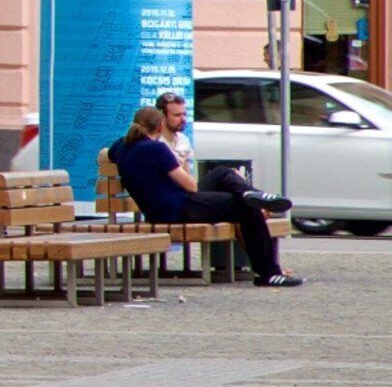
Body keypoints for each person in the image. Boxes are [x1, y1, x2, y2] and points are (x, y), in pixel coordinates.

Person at [111, 97, 297, 287]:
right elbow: (191, 186)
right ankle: (268, 273)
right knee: (246, 207)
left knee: (221, 173)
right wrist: (179, 162)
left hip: (161, 209)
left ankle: (248, 193)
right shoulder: (157, 149)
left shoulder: (121, 147)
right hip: (179, 207)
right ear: (160, 125)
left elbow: (105, 154)